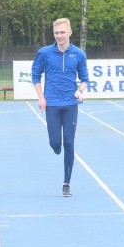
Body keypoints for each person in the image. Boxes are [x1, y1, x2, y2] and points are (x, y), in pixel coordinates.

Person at [32, 18, 89, 197]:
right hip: (53, 104)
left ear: (70, 32)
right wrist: (41, 97)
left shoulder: (79, 54)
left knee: (69, 142)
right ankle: (56, 146)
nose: (59, 36)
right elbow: (35, 76)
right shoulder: (45, 53)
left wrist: (80, 90)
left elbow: (85, 79)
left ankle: (66, 183)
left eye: (62, 32)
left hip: (70, 104)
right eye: (56, 33)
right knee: (55, 143)